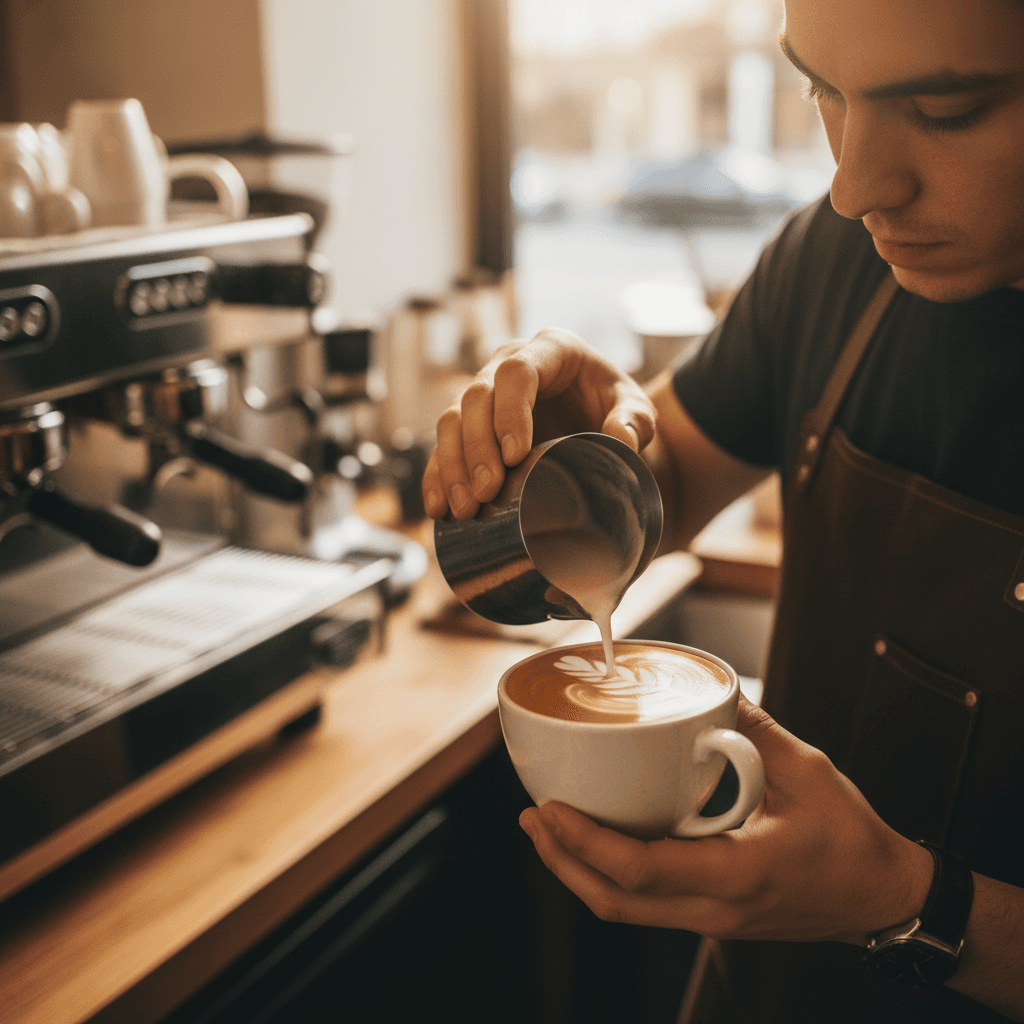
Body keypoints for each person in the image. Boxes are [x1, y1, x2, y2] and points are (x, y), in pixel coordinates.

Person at [422, 0, 1024, 1019]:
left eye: (942, 106)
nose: (851, 187)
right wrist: (557, 471)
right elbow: (654, 498)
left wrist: (907, 906)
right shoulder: (836, 265)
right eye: (822, 92)